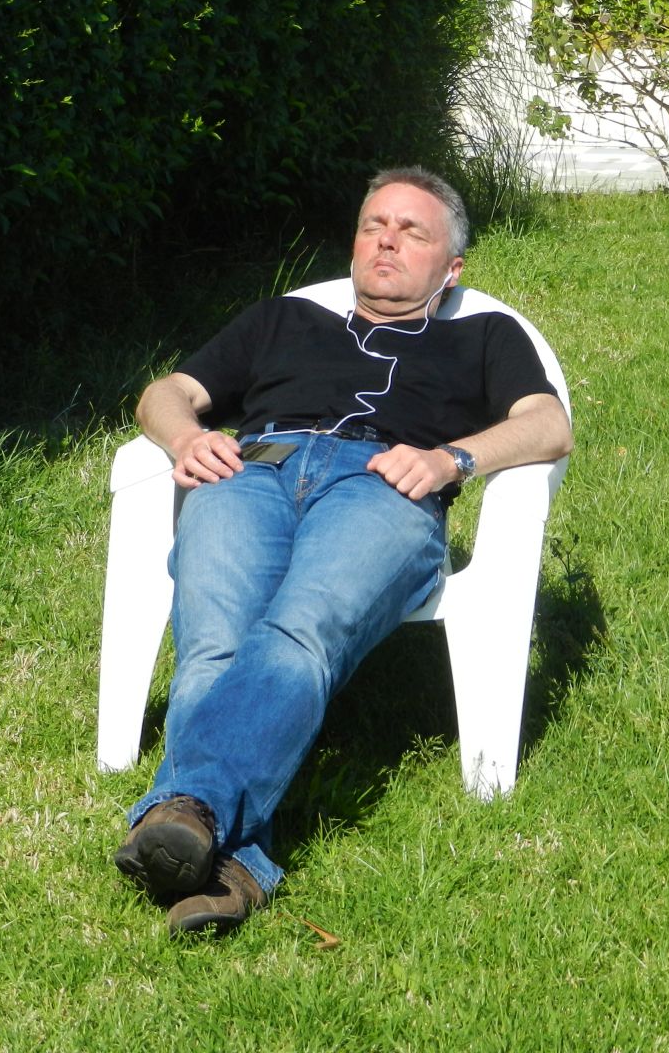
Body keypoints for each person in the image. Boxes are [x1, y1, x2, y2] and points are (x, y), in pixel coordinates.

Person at [113, 167, 572, 937]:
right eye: (373, 226)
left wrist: (451, 460)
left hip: (384, 484)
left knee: (302, 630)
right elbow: (166, 392)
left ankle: (186, 812)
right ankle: (231, 867)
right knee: (214, 643)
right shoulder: (282, 319)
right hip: (250, 471)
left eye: (411, 231)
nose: (386, 241)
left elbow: (548, 425)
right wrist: (187, 437)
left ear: (452, 268)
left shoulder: (485, 336)